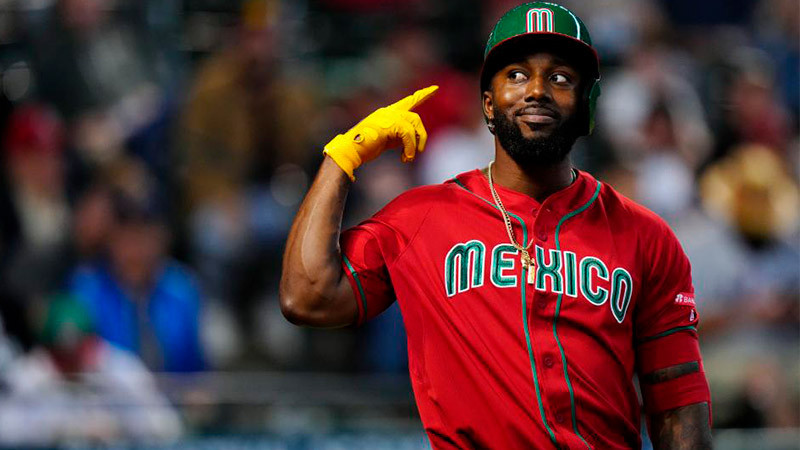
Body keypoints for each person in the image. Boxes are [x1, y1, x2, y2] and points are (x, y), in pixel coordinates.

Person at [280, 3, 712, 448]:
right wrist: (342, 157)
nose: (537, 90)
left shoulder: (646, 236)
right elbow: (306, 297)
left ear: (587, 102)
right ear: (488, 103)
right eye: (517, 75)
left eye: (561, 78)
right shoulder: (420, 218)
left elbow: (678, 399)